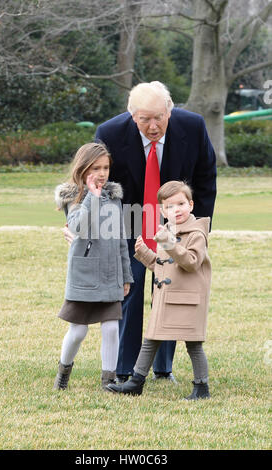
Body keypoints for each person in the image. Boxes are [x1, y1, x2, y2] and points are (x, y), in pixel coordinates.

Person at [64, 81, 216, 383]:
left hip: (175, 224)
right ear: (131, 115)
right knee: (129, 292)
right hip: (126, 223)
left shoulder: (194, 126)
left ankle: (163, 369)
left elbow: (206, 177)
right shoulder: (109, 132)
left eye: (159, 116)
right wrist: (74, 221)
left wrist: (196, 227)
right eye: (145, 118)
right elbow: (91, 179)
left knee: (171, 291)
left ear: (170, 110)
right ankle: (124, 371)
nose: (153, 125)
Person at [107, 181, 211, 399]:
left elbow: (191, 262)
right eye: (170, 207)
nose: (177, 210)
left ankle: (201, 387)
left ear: (191, 205)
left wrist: (169, 242)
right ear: (163, 211)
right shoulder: (168, 231)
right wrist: (145, 254)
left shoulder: (196, 234)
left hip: (187, 300)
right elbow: (165, 268)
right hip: (167, 298)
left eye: (181, 204)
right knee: (151, 339)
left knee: (193, 344)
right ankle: (136, 382)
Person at [53, 142, 133, 391]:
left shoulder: (114, 197)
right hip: (85, 274)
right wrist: (92, 198)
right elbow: (77, 227)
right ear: (83, 167)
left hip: (111, 274)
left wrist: (126, 275)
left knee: (110, 328)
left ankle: (108, 381)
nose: (101, 173)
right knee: (78, 332)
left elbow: (121, 239)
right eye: (96, 167)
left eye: (106, 167)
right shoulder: (72, 196)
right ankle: (63, 374)